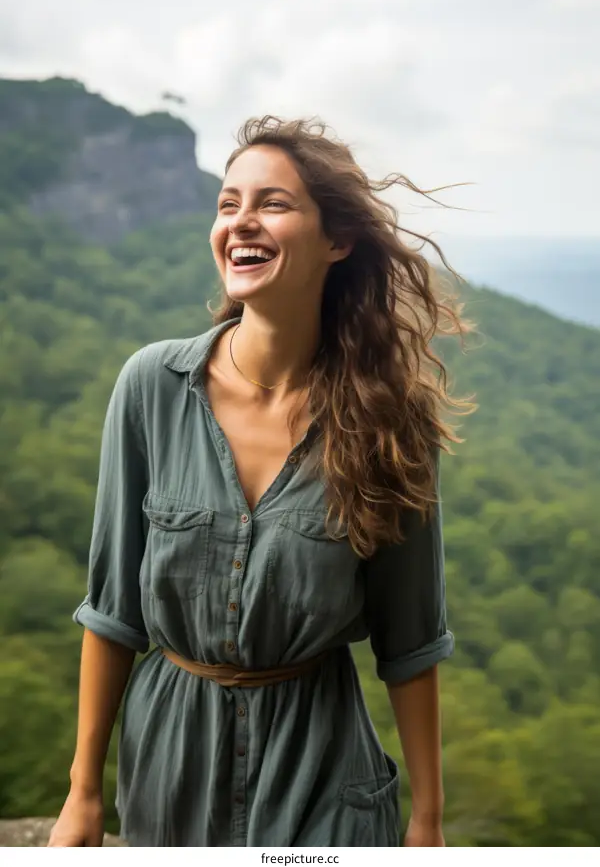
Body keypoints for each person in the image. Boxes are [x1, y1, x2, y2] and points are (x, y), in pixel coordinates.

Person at [48, 115, 472, 848]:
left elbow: (411, 642)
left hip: (325, 773)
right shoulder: (152, 386)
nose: (241, 221)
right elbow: (112, 609)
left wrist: (427, 823)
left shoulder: (387, 421)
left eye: (272, 203)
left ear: (336, 241)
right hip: (170, 771)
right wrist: (82, 795)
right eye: (227, 203)